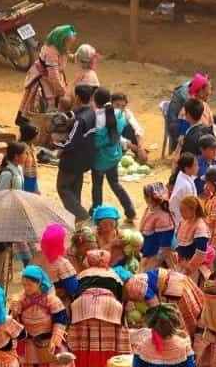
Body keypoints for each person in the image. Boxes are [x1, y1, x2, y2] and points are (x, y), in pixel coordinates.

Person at [13, 265, 82, 367]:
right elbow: (16, 323)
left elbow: (61, 321)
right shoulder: (21, 300)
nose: (26, 288)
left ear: (39, 283)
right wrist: (14, 312)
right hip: (28, 346)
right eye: (24, 285)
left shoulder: (52, 300)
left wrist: (55, 339)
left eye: (29, 285)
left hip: (48, 344)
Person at [70, 249, 129, 367]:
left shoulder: (82, 274)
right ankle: (107, 365)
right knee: (108, 337)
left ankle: (84, 366)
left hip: (83, 305)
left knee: (85, 337)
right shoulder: (114, 275)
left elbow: (74, 293)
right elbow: (120, 297)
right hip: (108, 305)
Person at [90, 88, 137, 221]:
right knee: (115, 184)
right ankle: (130, 211)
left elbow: (96, 140)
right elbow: (116, 134)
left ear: (95, 101)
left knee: (97, 186)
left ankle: (96, 212)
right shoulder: (120, 115)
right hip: (114, 156)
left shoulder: (96, 117)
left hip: (99, 159)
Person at [56, 84, 98, 223]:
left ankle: (83, 216)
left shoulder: (80, 120)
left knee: (63, 188)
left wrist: (55, 145)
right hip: (85, 160)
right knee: (75, 190)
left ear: (78, 98)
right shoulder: (92, 113)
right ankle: (79, 225)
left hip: (72, 161)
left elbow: (70, 142)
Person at [19, 25, 75, 120]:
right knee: (44, 103)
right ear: (62, 40)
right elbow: (53, 76)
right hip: (44, 80)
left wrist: (76, 57)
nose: (70, 44)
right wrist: (62, 92)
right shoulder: (51, 52)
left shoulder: (59, 47)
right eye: (69, 41)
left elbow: (65, 54)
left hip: (51, 77)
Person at [38, 223, 81, 302]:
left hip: (40, 302)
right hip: (59, 303)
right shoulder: (63, 263)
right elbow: (73, 289)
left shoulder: (38, 260)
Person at [174, 195, 211, 282]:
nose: (181, 213)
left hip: (193, 268)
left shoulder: (200, 226)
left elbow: (201, 252)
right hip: (181, 263)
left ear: (193, 210)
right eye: (180, 210)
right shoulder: (183, 222)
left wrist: (190, 267)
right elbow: (177, 240)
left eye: (184, 210)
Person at [139, 182, 176, 270]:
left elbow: (165, 248)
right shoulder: (149, 209)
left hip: (156, 260)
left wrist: (152, 265)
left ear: (151, 198)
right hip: (147, 255)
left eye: (146, 196)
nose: (144, 198)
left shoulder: (163, 218)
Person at [169, 152, 199, 223]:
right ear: (187, 168)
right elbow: (191, 209)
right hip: (181, 220)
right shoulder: (186, 186)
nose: (198, 167)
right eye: (195, 165)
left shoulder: (182, 174)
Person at [18, 123, 40, 193]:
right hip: (24, 179)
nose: (38, 137)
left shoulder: (32, 147)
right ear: (31, 136)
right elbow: (20, 167)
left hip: (32, 179)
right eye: (37, 135)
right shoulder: (22, 149)